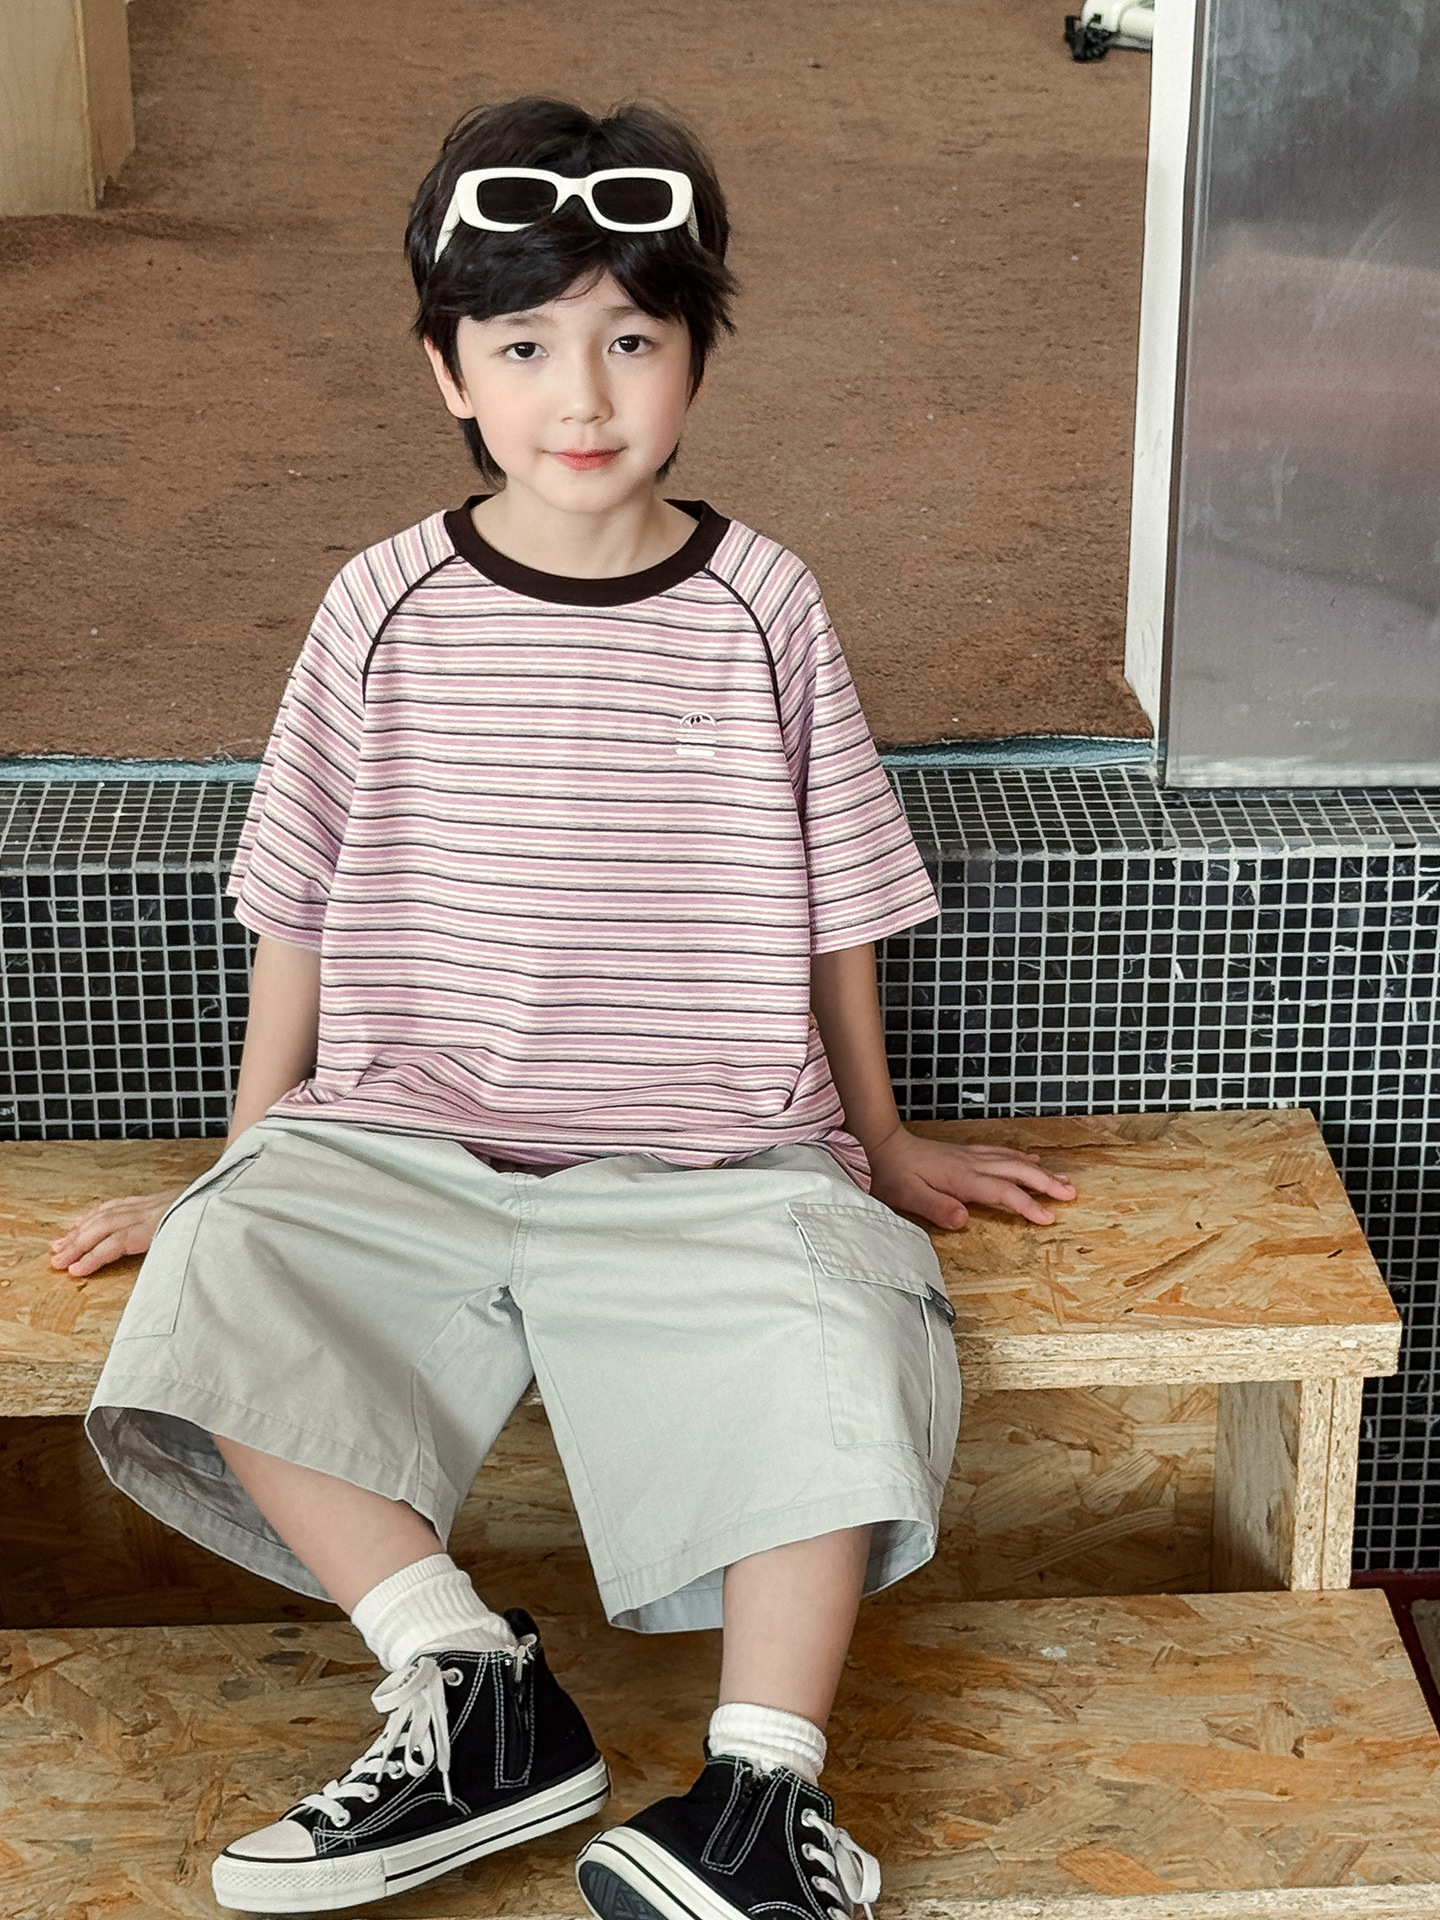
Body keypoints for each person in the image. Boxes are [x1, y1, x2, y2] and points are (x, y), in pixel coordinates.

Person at [55, 95, 1074, 1920]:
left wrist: (883, 1140)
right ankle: (467, 1683)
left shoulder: (764, 603)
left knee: (836, 1326)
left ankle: (764, 1801)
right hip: (406, 1135)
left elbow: (842, 903)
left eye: (631, 340)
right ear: (448, 372)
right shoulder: (380, 605)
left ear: (698, 360)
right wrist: (238, 1166)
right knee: (224, 1274)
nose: (581, 397)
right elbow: (294, 908)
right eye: (524, 346)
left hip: (709, 1153)